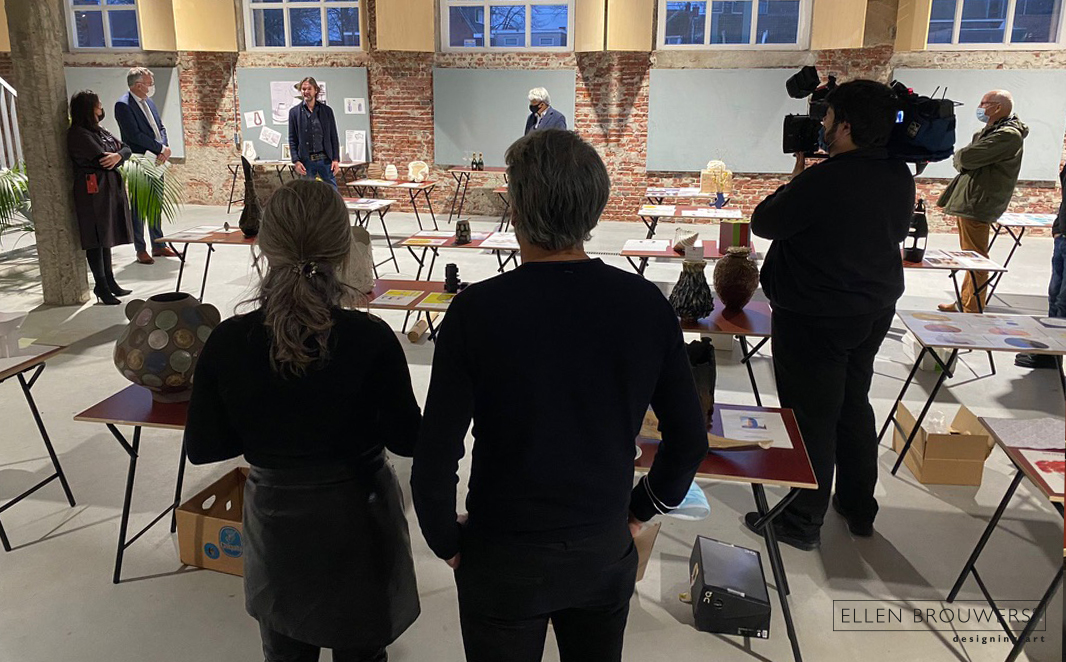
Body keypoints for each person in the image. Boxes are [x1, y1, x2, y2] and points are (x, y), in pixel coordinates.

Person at [411, 129, 708, 662]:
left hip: (503, 552)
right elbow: (688, 440)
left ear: (518, 208)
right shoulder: (645, 305)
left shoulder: (477, 311)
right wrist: (640, 509)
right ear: (594, 208)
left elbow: (436, 452)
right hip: (601, 545)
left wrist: (444, 539)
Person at [184, 180, 421, 662]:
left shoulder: (229, 341)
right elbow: (409, 439)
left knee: (285, 649)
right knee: (363, 652)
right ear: (344, 248)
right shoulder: (371, 338)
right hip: (360, 519)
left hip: (277, 527)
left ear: (265, 246)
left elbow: (205, 447)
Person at [749, 80, 915, 550]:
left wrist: (796, 179)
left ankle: (802, 521)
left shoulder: (825, 180)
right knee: (852, 403)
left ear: (844, 126)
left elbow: (765, 222)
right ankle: (858, 507)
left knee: (810, 417)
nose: (820, 125)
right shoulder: (898, 174)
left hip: (816, 315)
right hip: (872, 309)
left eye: (826, 117)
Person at [936, 90, 1028, 313]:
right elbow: (966, 158)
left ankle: (973, 307)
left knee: (976, 258)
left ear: (998, 107)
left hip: (979, 201)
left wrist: (961, 157)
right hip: (972, 199)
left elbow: (966, 158)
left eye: (984, 103)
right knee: (970, 256)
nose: (980, 107)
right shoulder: (990, 131)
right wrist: (963, 157)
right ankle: (965, 301)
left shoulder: (1008, 135)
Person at [67, 90, 135, 305]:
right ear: (89, 108)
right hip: (93, 190)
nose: (101, 107)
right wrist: (116, 156)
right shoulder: (78, 133)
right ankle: (101, 285)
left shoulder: (100, 130)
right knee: (96, 237)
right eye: (98, 104)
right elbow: (102, 159)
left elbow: (126, 148)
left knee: (106, 236)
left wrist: (118, 155)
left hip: (108, 188)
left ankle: (110, 281)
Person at [114, 66, 177, 265]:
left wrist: (164, 148)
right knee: (140, 206)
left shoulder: (148, 101)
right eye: (150, 83)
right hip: (140, 159)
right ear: (138, 85)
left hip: (157, 158)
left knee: (156, 202)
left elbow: (160, 127)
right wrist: (160, 148)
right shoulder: (123, 105)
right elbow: (134, 135)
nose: (152, 86)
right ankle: (140, 248)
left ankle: (158, 244)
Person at [1016, 162, 1066, 370]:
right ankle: (1051, 352)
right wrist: (1058, 229)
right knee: (1055, 297)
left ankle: (1055, 351)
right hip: (1063, 236)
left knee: (1063, 300)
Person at [288, 77, 341, 189]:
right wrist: (296, 161)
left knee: (332, 191)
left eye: (309, 89)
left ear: (315, 90)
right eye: (303, 89)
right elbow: (292, 139)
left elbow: (333, 136)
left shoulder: (327, 111)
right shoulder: (294, 113)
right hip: (306, 161)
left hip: (325, 159)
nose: (306, 92)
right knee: (307, 192)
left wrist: (335, 159)